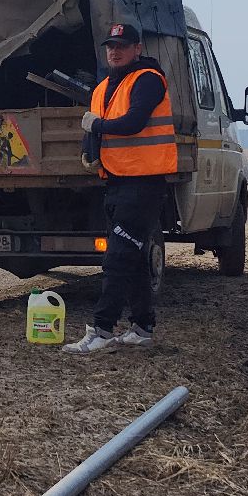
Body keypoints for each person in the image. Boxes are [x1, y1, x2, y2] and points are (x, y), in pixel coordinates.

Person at [65, 21, 177, 355]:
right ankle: (142, 328)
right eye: (111, 46)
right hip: (115, 181)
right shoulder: (103, 88)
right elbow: (94, 127)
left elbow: (134, 122)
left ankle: (102, 329)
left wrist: (97, 125)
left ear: (137, 48)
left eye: (122, 45)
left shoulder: (148, 80)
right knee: (134, 255)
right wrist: (89, 150)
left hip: (144, 183)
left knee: (116, 257)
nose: (115, 51)